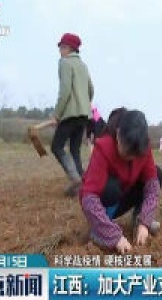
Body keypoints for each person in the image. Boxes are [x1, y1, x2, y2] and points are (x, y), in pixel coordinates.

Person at [80, 108, 162, 254]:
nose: (130, 158)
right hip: (107, 202)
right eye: (126, 152)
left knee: (156, 174)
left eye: (135, 155)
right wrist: (114, 236)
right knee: (112, 187)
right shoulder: (103, 147)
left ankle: (138, 220)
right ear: (118, 134)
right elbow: (89, 198)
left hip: (126, 194)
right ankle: (101, 227)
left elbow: (152, 187)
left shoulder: (143, 147)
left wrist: (145, 221)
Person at [51, 33, 94, 197]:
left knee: (56, 147)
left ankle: (75, 178)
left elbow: (65, 91)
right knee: (74, 149)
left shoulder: (65, 63)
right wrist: (84, 103)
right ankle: (83, 185)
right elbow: (91, 89)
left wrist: (57, 114)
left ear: (69, 48)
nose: (60, 51)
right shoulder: (83, 65)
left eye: (62, 47)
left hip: (70, 114)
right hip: (84, 115)